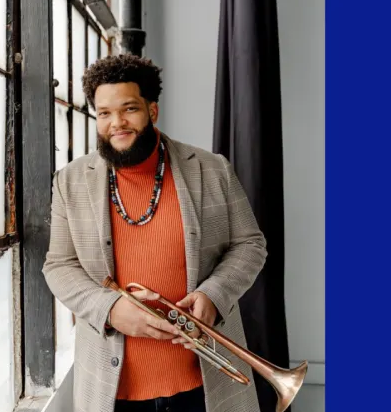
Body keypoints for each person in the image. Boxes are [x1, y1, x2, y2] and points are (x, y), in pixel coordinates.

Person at [42, 54, 266, 412]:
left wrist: (215, 295)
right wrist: (110, 308)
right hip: (110, 389)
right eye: (104, 113)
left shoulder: (211, 169)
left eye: (129, 109)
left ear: (152, 110)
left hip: (203, 385)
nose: (117, 123)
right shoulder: (69, 182)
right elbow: (58, 265)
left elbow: (250, 244)